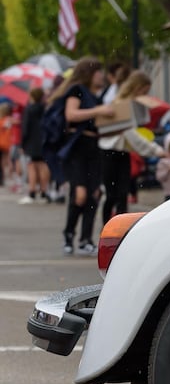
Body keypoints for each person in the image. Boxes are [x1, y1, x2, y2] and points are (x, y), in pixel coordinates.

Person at [50, 56, 113, 254]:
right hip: (77, 147)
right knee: (80, 195)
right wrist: (98, 110)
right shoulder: (76, 90)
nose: (101, 75)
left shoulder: (97, 96)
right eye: (98, 72)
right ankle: (69, 234)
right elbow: (71, 115)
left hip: (94, 146)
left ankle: (86, 239)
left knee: (94, 194)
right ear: (90, 73)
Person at [98, 70, 167, 222]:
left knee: (121, 194)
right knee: (113, 195)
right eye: (144, 91)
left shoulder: (127, 104)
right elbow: (132, 134)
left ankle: (117, 229)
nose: (145, 95)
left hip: (121, 151)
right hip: (110, 152)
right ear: (137, 88)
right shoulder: (122, 105)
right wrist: (155, 150)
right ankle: (110, 229)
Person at [19, 86, 50, 204]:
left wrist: (22, 144)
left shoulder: (29, 109)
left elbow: (25, 128)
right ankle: (44, 192)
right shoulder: (45, 108)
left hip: (31, 142)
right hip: (43, 141)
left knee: (31, 166)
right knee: (43, 166)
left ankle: (31, 192)